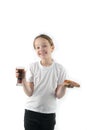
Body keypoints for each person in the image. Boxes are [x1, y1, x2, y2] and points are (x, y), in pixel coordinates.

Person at [16, 34, 74, 130]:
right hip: (31, 111)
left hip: (49, 113)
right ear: (35, 50)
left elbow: (59, 95)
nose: (41, 49)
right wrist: (23, 80)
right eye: (37, 47)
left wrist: (64, 85)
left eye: (44, 46)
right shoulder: (32, 67)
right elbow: (29, 93)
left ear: (52, 48)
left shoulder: (60, 69)